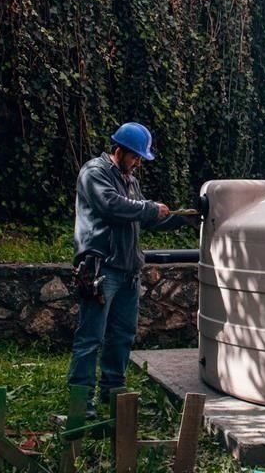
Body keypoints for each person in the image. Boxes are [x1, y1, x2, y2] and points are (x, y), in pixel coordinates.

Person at [67, 122, 179, 419]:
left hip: (128, 270)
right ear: (120, 150)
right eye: (135, 157)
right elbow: (111, 205)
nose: (138, 163)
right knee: (91, 338)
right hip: (101, 268)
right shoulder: (95, 172)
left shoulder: (129, 179)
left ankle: (113, 394)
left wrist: (179, 217)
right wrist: (149, 208)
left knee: (122, 336)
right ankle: (81, 401)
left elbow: (141, 213)